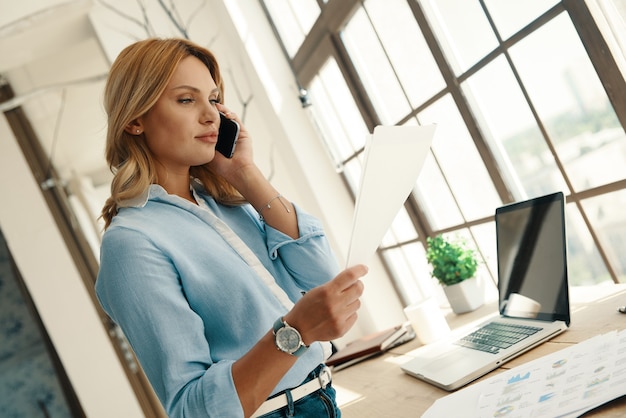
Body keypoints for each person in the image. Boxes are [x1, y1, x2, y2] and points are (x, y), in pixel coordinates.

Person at [95, 37, 367, 418]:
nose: (211, 116)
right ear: (134, 120)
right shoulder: (132, 243)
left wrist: (245, 173)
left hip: (322, 396)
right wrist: (296, 331)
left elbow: (326, 281)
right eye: (187, 100)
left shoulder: (227, 204)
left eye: (214, 98)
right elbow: (192, 408)